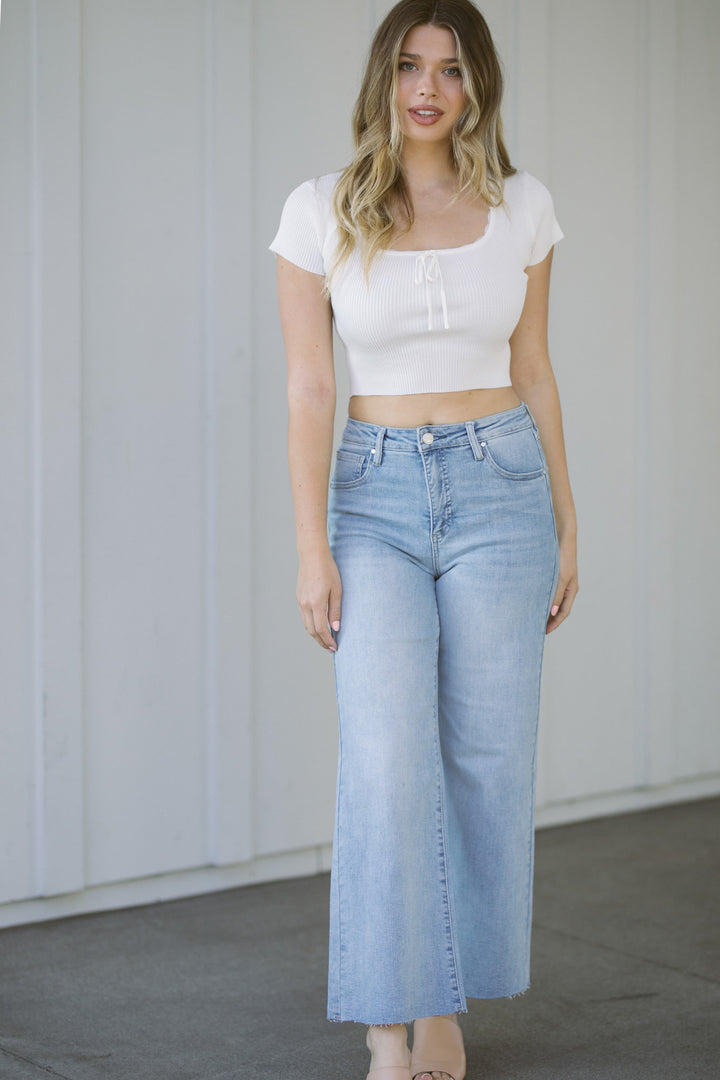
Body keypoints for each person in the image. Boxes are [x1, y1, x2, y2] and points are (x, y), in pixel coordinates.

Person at [269, 1, 578, 1076]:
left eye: (449, 68)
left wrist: (567, 522)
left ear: (476, 84)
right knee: (388, 757)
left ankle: (444, 1003)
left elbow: (534, 367)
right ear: (384, 78)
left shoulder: (522, 207)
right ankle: (386, 1024)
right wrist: (313, 546)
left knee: (487, 759)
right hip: (376, 496)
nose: (427, 88)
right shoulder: (319, 210)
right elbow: (311, 386)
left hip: (503, 487)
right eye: (409, 65)